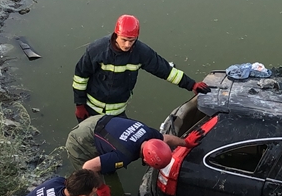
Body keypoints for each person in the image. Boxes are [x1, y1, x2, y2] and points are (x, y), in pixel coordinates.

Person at [72, 14, 210, 121]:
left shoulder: (141, 53)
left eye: (131, 41)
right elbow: (80, 77)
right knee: (89, 145)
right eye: (124, 40)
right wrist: (79, 105)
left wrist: (191, 84)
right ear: (116, 35)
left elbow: (164, 70)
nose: (127, 45)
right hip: (91, 109)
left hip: (117, 113)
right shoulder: (97, 50)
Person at [65, 114, 185, 196]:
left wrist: (186, 143)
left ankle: (104, 165)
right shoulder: (124, 155)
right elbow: (88, 167)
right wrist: (100, 187)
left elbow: (166, 138)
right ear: (144, 159)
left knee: (108, 166)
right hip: (80, 141)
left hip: (98, 123)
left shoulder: (151, 136)